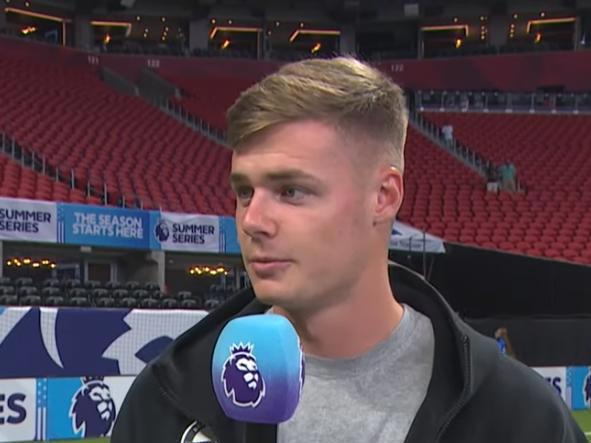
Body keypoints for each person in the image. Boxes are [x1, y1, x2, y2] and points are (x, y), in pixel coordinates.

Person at [112, 57, 585, 443]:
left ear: (383, 196)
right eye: (244, 192)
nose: (253, 220)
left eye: (291, 191)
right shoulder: (169, 403)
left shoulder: (519, 418)